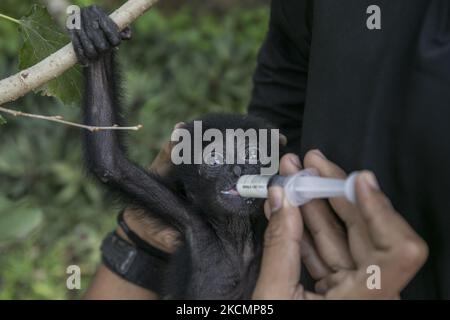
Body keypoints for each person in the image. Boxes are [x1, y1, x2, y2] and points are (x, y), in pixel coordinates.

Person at [87, 0, 449, 299]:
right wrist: (98, 60)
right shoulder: (189, 221)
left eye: (246, 160)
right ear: (189, 176)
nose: (237, 174)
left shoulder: (269, 208)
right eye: (217, 161)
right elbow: (111, 167)